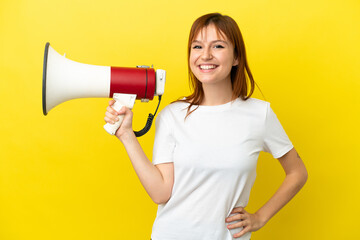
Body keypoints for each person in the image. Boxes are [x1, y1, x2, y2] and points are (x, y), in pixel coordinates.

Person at [104, 13, 308, 240]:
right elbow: (160, 193)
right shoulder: (171, 115)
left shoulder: (260, 114)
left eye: (218, 46)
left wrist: (260, 217)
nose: (206, 55)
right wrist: (126, 135)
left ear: (236, 57)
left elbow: (297, 172)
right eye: (197, 46)